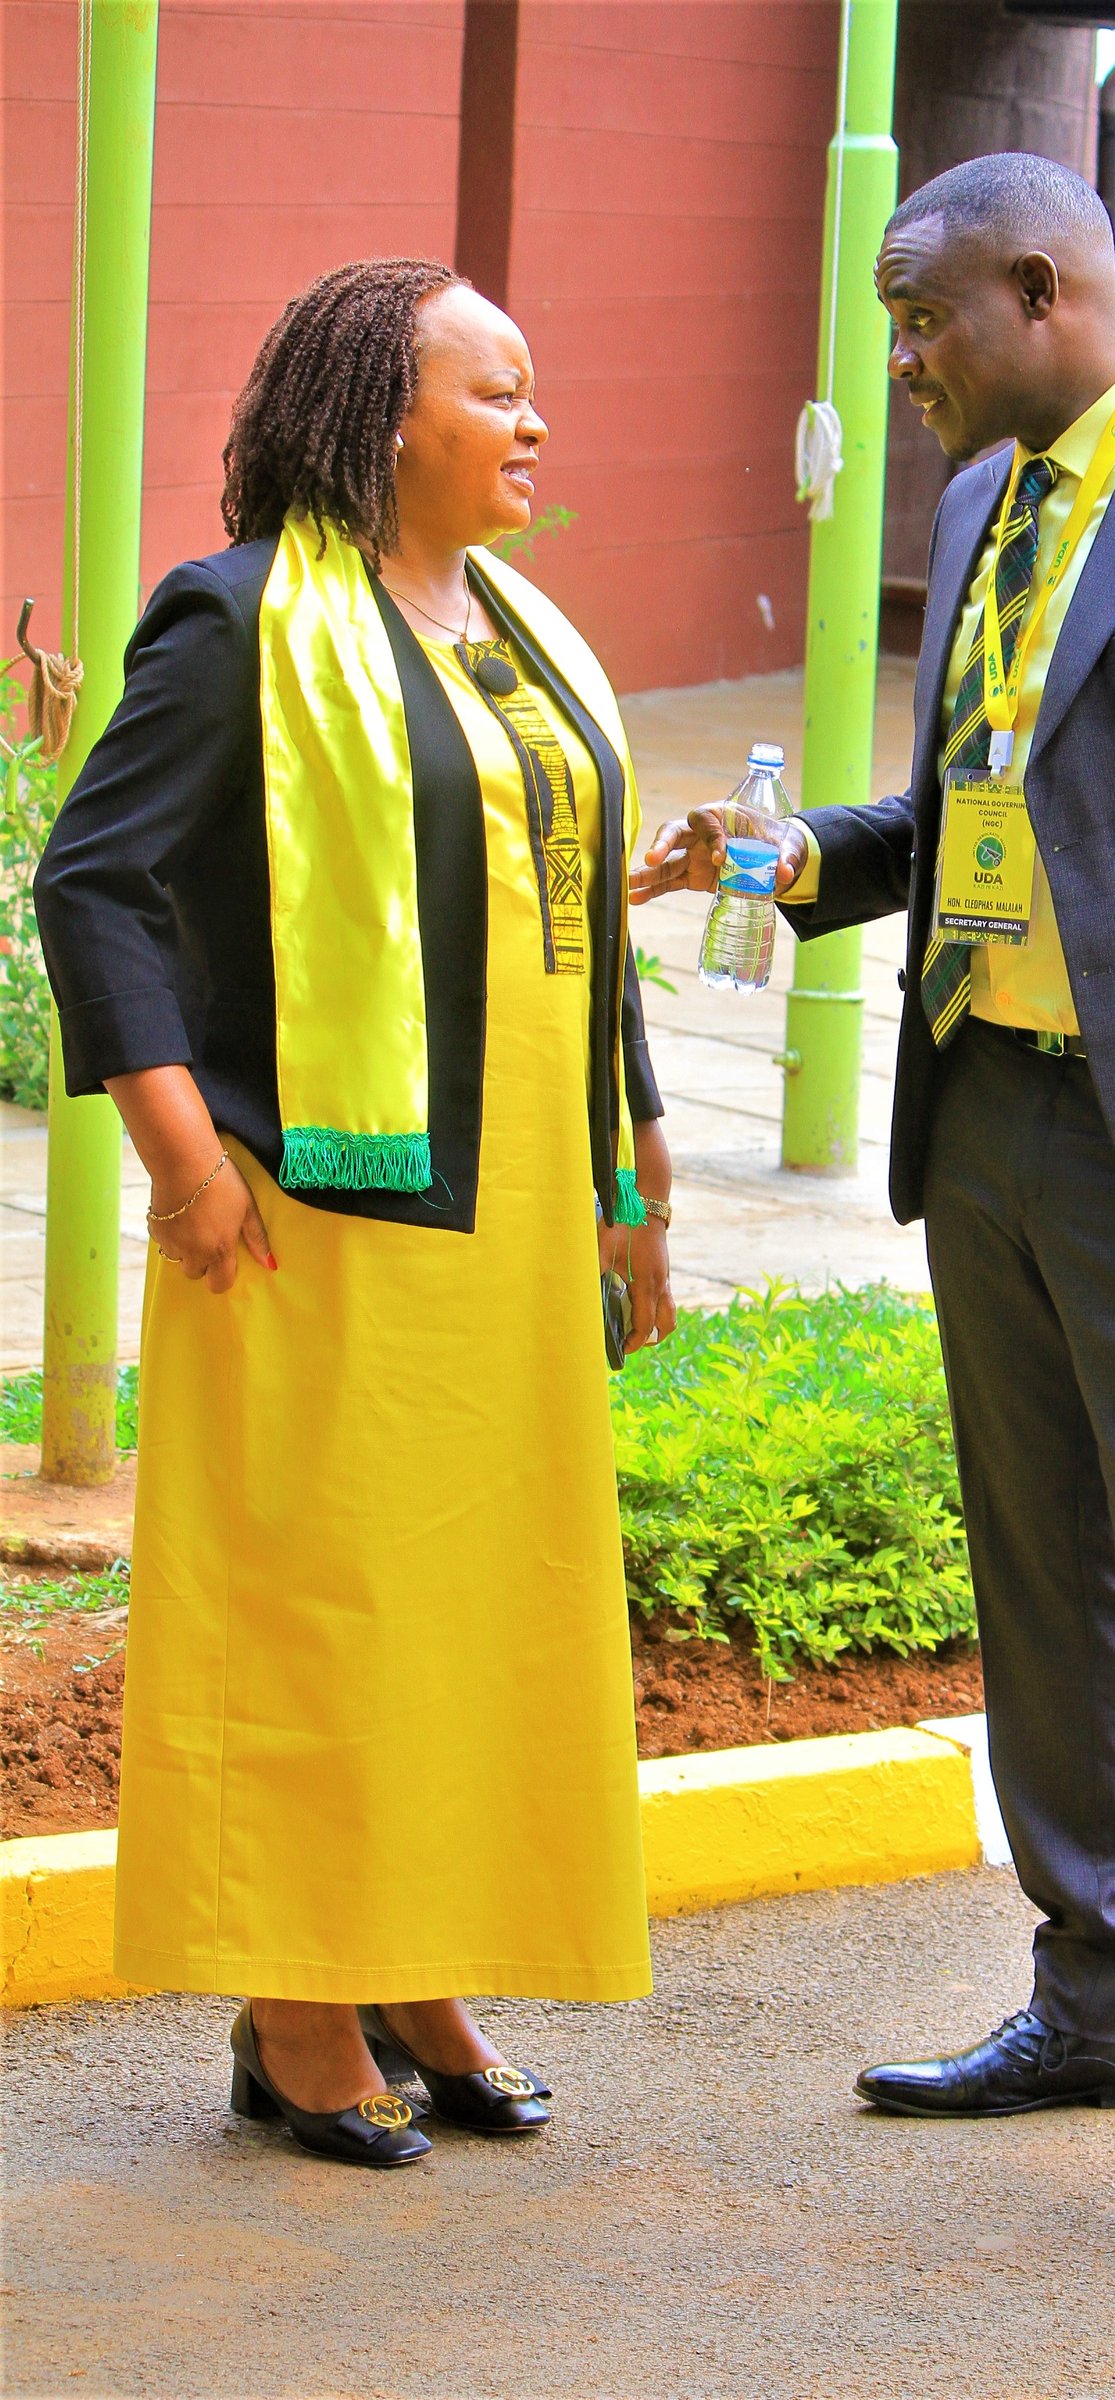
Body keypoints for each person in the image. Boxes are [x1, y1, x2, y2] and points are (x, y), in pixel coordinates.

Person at [633, 154, 1115, 2299]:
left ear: (1042, 285)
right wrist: (794, 864)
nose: (901, 360)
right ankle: (1090, 2007)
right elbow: (983, 807)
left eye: (922, 318)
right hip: (984, 1119)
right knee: (1041, 1597)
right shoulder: (981, 507)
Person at [35, 259, 677, 2168]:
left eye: (534, 389)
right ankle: (295, 2006)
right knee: (320, 1614)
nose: (534, 423)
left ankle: (414, 1967)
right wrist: (184, 1161)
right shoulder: (239, 623)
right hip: (311, 1225)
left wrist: (631, 1175)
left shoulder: (527, 639)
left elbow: (582, 917)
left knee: (470, 1615)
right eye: (497, 391)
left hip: (509, 1229)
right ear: (383, 419)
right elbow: (96, 885)